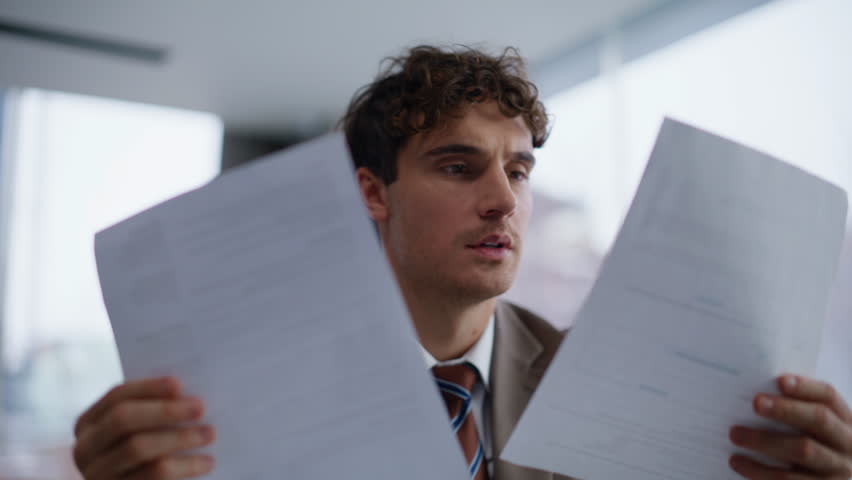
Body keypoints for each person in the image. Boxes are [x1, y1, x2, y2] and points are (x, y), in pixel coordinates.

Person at [71, 45, 852, 480]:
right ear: (372, 194)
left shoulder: (616, 383)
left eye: (517, 171)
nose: (503, 201)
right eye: (457, 167)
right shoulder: (243, 398)